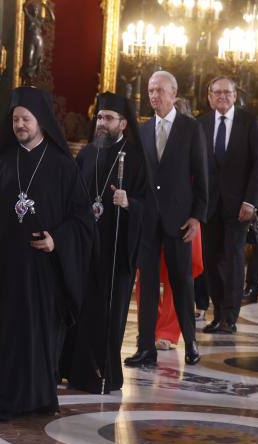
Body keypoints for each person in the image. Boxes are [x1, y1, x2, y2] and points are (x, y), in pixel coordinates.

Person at [0, 86, 93, 421]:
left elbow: (82, 219)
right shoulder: (2, 164)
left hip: (43, 270)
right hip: (7, 267)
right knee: (4, 336)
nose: (20, 125)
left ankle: (38, 399)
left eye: (26, 119)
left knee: (37, 335)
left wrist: (57, 240)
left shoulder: (62, 166)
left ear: (41, 121)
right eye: (15, 119)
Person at [59, 92, 149, 394]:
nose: (102, 123)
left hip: (115, 250)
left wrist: (130, 203)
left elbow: (151, 207)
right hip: (86, 249)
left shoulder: (135, 158)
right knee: (80, 308)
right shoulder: (87, 154)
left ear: (123, 123)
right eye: (99, 117)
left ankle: (103, 374)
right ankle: (72, 369)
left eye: (108, 118)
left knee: (108, 312)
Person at [125, 71, 208, 368]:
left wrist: (197, 217)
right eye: (150, 90)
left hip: (179, 221)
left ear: (173, 93)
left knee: (182, 283)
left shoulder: (191, 128)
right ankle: (145, 347)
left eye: (159, 90)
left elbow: (202, 176)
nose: (154, 96)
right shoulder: (144, 130)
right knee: (146, 285)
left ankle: (191, 343)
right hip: (148, 221)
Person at [198, 76, 258, 334]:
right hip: (209, 205)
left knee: (234, 259)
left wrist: (251, 201)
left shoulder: (249, 123)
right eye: (217, 92)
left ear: (235, 96)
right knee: (211, 260)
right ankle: (217, 314)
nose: (222, 96)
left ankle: (230, 317)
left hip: (239, 207)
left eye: (227, 92)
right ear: (210, 97)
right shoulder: (201, 123)